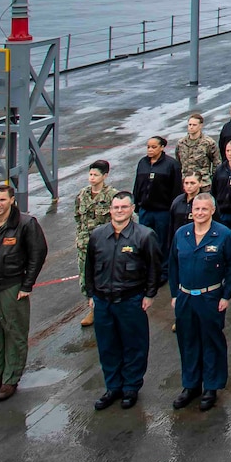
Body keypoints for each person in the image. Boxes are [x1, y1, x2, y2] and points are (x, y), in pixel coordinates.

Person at [0, 183, 49, 402]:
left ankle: (10, 380)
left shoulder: (25, 223)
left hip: (11, 286)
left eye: (2, 200)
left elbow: (38, 253)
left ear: (12, 200)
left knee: (14, 333)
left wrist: (26, 285)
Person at [86, 190, 162, 409]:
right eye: (116, 207)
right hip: (103, 301)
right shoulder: (98, 236)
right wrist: (91, 294)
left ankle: (130, 387)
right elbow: (89, 268)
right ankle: (113, 387)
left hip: (131, 300)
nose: (119, 211)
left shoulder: (144, 235)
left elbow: (154, 268)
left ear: (132, 209)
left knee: (134, 345)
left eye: (124, 207)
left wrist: (149, 294)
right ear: (110, 210)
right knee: (107, 346)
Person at [168, 190, 231, 411]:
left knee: (211, 342)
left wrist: (226, 296)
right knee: (187, 341)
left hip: (211, 297)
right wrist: (174, 294)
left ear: (212, 211)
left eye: (204, 209)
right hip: (185, 297)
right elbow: (172, 265)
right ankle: (190, 386)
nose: (200, 212)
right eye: (196, 209)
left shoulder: (224, 235)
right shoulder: (181, 234)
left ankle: (211, 386)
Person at [133, 136, 182, 280]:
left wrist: (173, 208)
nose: (150, 150)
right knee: (144, 242)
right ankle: (147, 270)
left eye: (154, 147)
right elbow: (138, 185)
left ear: (162, 148)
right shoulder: (142, 163)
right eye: (148, 147)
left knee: (162, 242)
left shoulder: (171, 165)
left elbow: (176, 189)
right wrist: (136, 203)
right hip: (145, 210)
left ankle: (163, 271)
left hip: (163, 211)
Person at [73, 161, 115, 330]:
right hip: (85, 245)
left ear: (105, 176)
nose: (92, 178)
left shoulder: (112, 196)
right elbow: (78, 217)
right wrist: (80, 237)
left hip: (104, 246)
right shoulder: (82, 194)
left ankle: (109, 309)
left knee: (106, 276)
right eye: (90, 174)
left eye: (96, 175)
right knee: (86, 278)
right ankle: (92, 308)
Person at [177, 113, 222, 181]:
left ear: (200, 126)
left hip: (203, 182)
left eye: (194, 125)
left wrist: (214, 179)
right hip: (185, 182)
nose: (191, 127)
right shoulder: (181, 143)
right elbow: (178, 162)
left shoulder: (208, 143)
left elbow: (217, 163)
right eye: (190, 124)